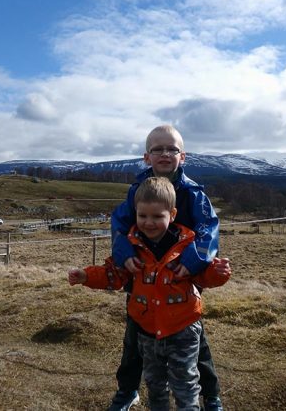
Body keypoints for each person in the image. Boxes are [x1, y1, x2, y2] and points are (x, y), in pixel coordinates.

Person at [69, 177, 231, 410]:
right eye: (143, 216)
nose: (149, 222)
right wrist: (86, 276)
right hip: (146, 331)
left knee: (185, 384)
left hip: (182, 329)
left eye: (157, 217)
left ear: (172, 215)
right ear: (135, 213)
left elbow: (204, 277)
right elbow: (114, 275)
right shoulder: (130, 248)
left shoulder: (188, 248)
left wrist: (219, 272)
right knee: (155, 385)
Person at [109, 124, 223, 411]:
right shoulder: (137, 191)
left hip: (181, 276)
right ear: (147, 157)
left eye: (171, 148)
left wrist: (194, 260)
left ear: (182, 156)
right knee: (135, 336)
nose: (164, 153)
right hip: (142, 273)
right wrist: (123, 254)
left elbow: (208, 228)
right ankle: (127, 391)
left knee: (193, 338)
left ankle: (211, 395)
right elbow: (120, 225)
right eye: (157, 149)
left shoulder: (193, 193)